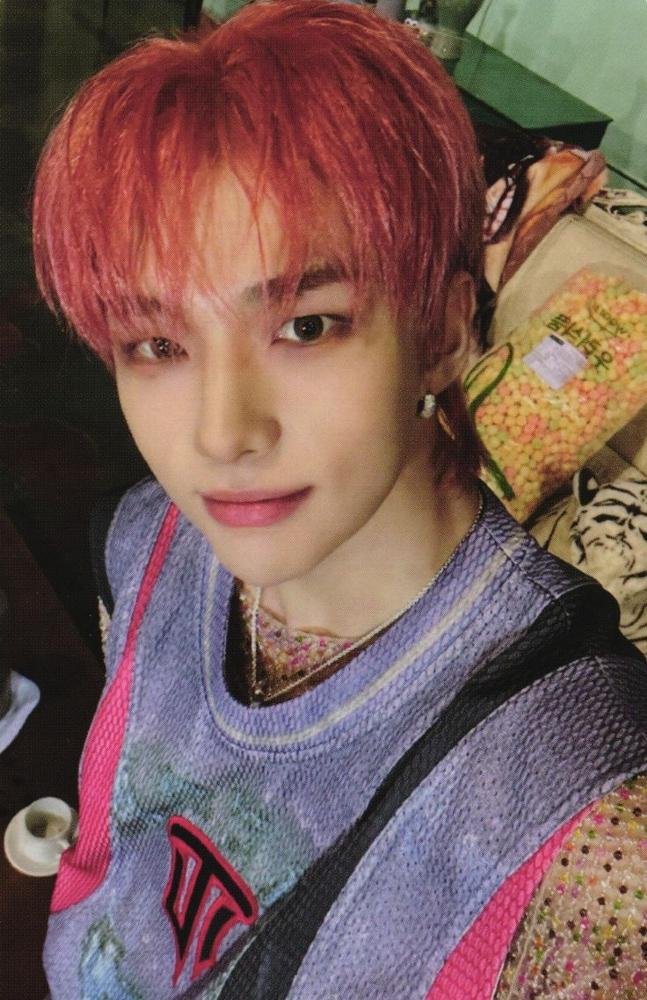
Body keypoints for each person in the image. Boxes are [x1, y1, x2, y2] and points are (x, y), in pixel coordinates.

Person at [31, 2, 647, 997]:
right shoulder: (148, 539)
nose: (222, 434)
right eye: (157, 344)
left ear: (443, 331)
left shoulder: (583, 830)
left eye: (307, 326)